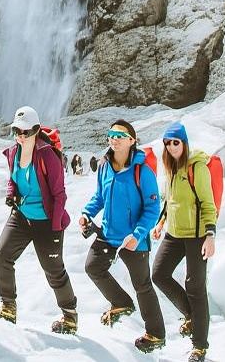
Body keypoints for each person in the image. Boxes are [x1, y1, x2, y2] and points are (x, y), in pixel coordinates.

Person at [0, 106, 78, 334]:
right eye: (16, 130)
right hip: (21, 215)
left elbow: (59, 194)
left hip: (47, 221)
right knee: (1, 255)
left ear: (36, 130)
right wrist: (11, 193)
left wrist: (55, 227)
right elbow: (13, 178)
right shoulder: (13, 152)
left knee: (53, 269)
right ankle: (8, 307)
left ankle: (70, 316)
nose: (20, 135)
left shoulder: (47, 155)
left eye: (25, 131)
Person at [79, 119, 166, 353]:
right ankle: (121, 302)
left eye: (120, 135)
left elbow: (152, 209)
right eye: (111, 135)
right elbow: (100, 196)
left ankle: (156, 334)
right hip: (108, 234)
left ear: (132, 141)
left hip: (133, 240)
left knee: (142, 286)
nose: (114, 139)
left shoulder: (142, 172)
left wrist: (137, 235)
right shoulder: (104, 166)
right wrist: (87, 214)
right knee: (93, 267)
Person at [150, 122, 217, 362]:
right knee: (159, 274)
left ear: (184, 143)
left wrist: (210, 235)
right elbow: (169, 201)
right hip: (174, 234)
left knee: (195, 287)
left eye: (175, 142)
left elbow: (208, 204)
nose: (171, 147)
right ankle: (192, 315)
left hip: (197, 235)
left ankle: (199, 346)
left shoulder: (197, 168)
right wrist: (160, 223)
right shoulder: (171, 166)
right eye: (167, 143)